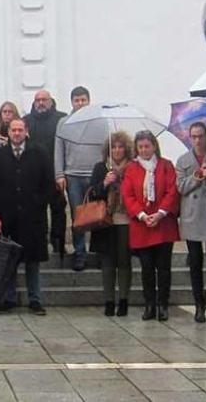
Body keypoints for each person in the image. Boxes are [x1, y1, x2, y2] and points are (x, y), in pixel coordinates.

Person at [0, 119, 53, 315]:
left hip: (33, 217)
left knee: (32, 261)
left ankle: (35, 299)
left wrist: (38, 202)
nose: (17, 133)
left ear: (26, 132)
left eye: (20, 130)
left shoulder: (39, 153)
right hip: (8, 217)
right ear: (8, 132)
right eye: (13, 130)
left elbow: (48, 184)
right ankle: (9, 298)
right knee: (9, 259)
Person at [121, 130, 180, 322]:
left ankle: (163, 304)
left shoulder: (165, 166)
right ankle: (149, 304)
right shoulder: (132, 168)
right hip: (142, 225)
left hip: (163, 223)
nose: (144, 150)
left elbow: (172, 191)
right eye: (141, 147)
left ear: (154, 146)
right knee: (146, 267)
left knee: (163, 267)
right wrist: (142, 215)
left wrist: (161, 213)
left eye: (147, 146)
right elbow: (128, 195)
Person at [175, 122, 206, 323]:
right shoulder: (183, 160)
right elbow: (180, 187)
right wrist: (197, 176)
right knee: (195, 261)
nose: (197, 140)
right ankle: (199, 304)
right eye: (193, 136)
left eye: (201, 136)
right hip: (192, 215)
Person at [54, 86, 103, 271]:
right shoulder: (64, 123)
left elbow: (107, 147)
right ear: (72, 102)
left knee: (99, 215)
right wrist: (59, 174)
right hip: (73, 175)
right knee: (78, 217)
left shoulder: (99, 122)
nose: (80, 103)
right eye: (77, 100)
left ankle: (98, 253)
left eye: (83, 100)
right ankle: (80, 253)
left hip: (95, 175)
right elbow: (58, 150)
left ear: (89, 101)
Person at [88, 131, 134, 317]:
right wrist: (105, 183)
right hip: (105, 220)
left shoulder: (133, 167)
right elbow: (92, 193)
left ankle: (123, 300)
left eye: (120, 147)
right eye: (113, 147)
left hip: (125, 220)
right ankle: (108, 300)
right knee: (107, 262)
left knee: (124, 261)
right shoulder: (101, 167)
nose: (117, 150)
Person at [23, 90, 67, 256]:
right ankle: (38, 241)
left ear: (51, 101)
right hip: (33, 176)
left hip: (55, 172)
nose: (41, 103)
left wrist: (61, 173)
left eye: (44, 100)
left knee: (58, 210)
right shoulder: (26, 120)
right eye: (37, 100)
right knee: (36, 211)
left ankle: (58, 244)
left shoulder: (61, 119)